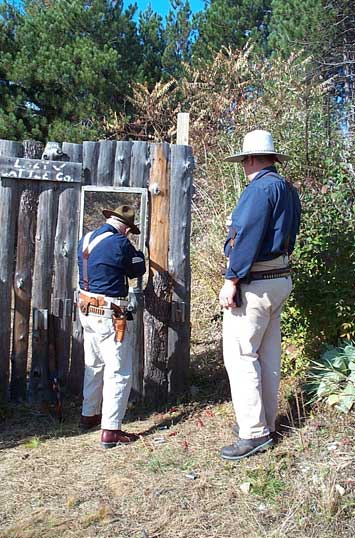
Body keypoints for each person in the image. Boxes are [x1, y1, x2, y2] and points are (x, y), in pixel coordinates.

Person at [219, 129, 301, 461]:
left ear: (250, 159)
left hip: (255, 282)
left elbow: (245, 239)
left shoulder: (258, 190)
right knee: (267, 356)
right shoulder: (288, 190)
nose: (242, 166)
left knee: (240, 357)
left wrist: (231, 279)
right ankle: (265, 425)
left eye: (243, 161)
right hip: (280, 277)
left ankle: (253, 433)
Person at [77, 204, 146, 448]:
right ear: (126, 229)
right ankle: (111, 430)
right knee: (118, 371)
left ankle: (89, 414)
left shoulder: (85, 239)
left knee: (93, 364)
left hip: (86, 309)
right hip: (109, 313)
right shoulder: (121, 243)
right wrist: (139, 253)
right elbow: (138, 269)